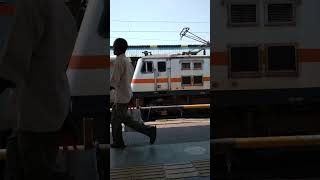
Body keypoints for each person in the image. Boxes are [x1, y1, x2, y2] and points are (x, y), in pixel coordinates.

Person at [0, 0, 77, 179]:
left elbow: (13, 66)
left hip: (35, 117)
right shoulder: (64, 12)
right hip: (50, 111)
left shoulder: (31, 5)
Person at [111, 38, 157, 148]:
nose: (113, 47)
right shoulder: (127, 60)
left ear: (119, 48)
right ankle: (119, 142)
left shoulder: (119, 61)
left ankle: (149, 131)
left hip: (121, 97)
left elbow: (114, 81)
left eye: (114, 45)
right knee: (116, 119)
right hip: (126, 94)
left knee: (123, 120)